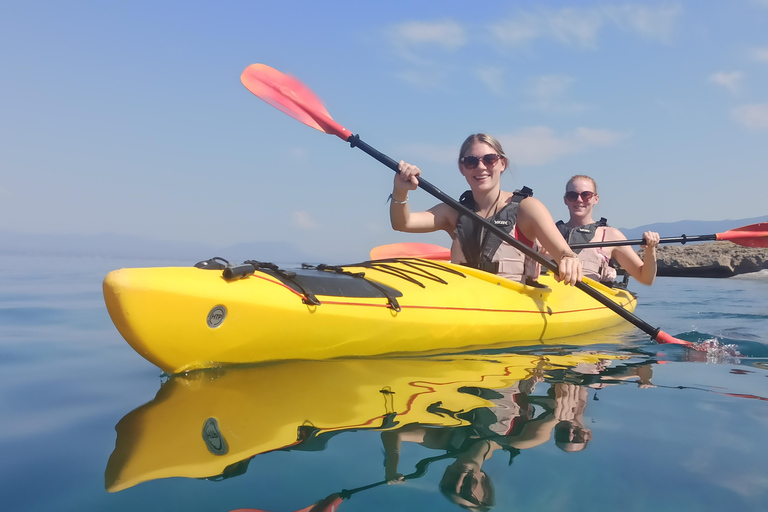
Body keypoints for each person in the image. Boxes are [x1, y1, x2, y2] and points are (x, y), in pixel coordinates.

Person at [390, 133, 582, 286]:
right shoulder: (453, 212)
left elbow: (564, 253)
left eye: (489, 159)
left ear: (502, 164)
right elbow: (402, 223)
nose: (481, 167)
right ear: (462, 168)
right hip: (465, 301)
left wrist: (569, 260)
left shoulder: (527, 208)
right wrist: (400, 190)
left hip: (514, 304)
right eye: (471, 162)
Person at [556, 175, 660, 286]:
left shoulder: (611, 235)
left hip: (591, 300)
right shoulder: (548, 233)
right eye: (572, 195)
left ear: (596, 199)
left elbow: (646, 279)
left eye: (586, 195)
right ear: (565, 200)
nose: (579, 200)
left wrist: (651, 249)